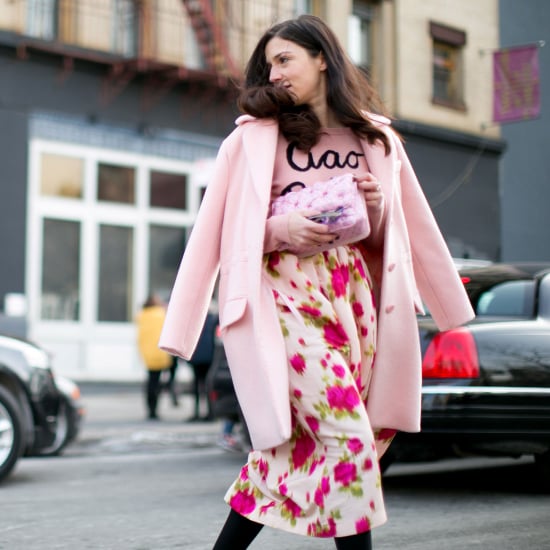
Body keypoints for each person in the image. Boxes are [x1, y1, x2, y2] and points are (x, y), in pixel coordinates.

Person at [160, 14, 474, 549]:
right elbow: (217, 234)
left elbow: (406, 230)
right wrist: (282, 227)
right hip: (284, 299)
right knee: (347, 440)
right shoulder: (251, 141)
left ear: (323, 57)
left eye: (285, 59)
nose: (274, 73)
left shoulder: (375, 137)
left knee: (305, 450)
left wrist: (374, 212)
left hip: (352, 302)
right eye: (269, 64)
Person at [136, 293, 173, 420]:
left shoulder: (142, 316)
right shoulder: (161, 314)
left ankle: (150, 408)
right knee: (158, 383)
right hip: (160, 353)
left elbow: (141, 337)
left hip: (148, 355)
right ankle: (155, 409)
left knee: (151, 382)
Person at [186, 310, 217, 421]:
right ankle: (211, 413)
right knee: (209, 385)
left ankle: (196, 412)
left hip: (196, 356)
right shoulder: (214, 319)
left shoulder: (192, 318)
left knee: (196, 386)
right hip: (209, 357)